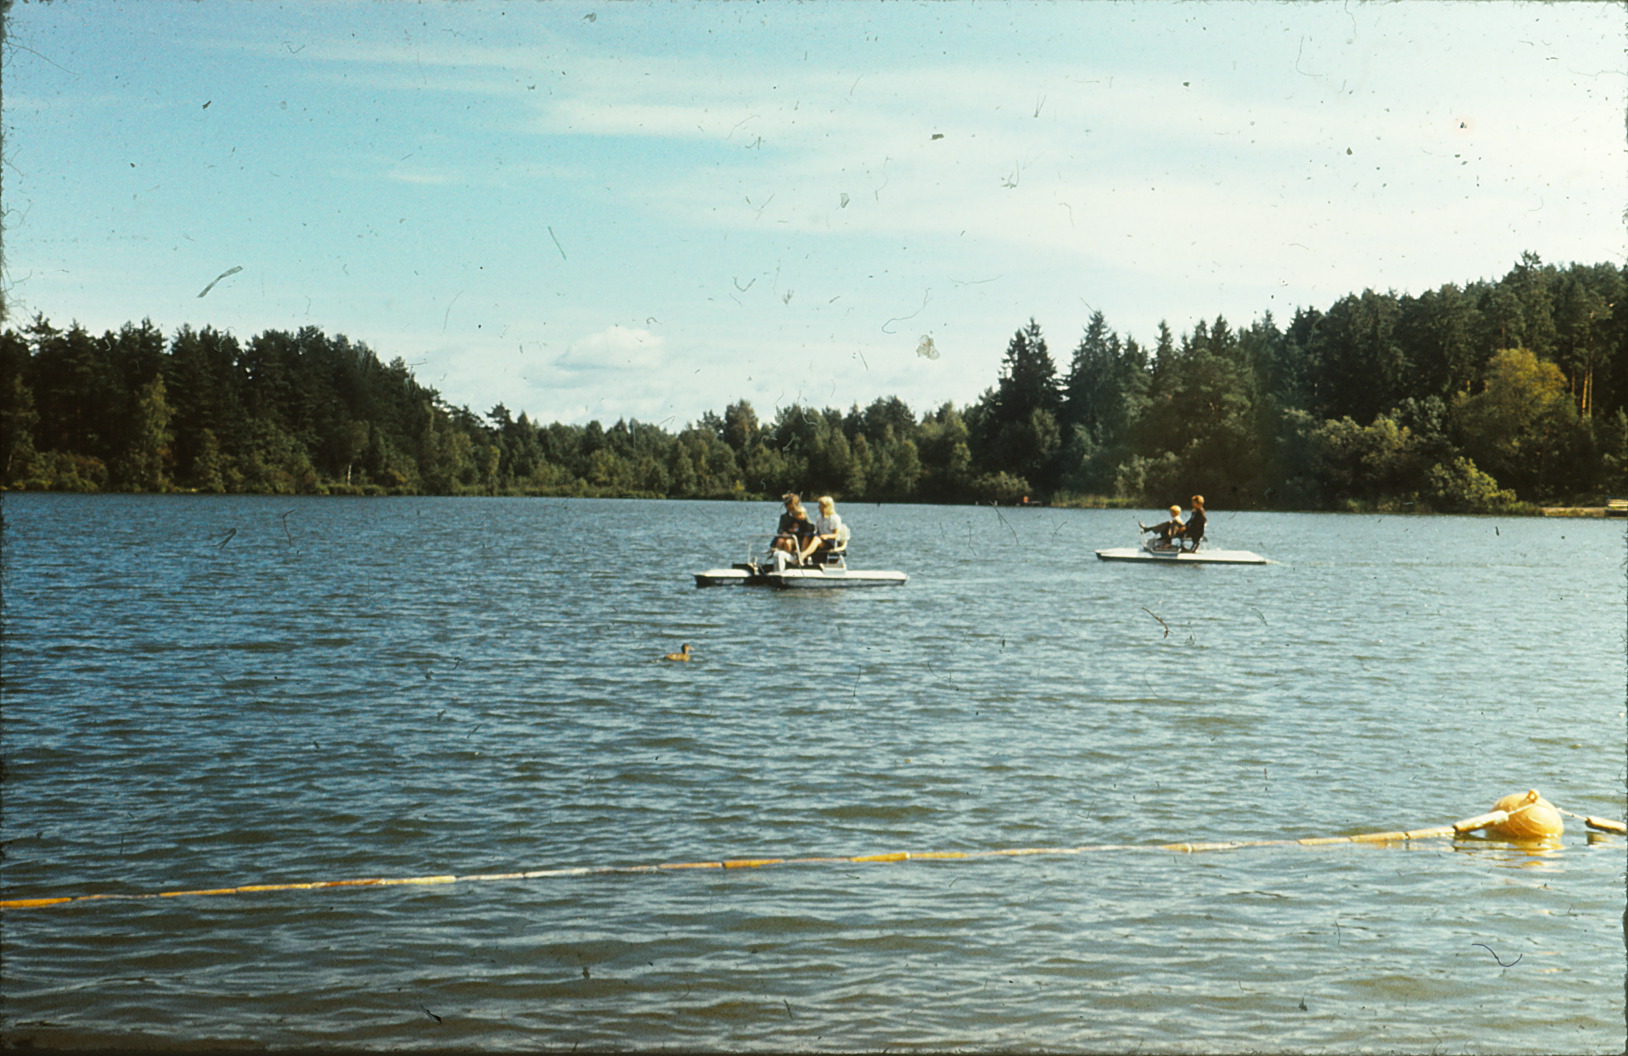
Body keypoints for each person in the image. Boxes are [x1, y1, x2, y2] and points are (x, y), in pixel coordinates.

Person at [799, 495, 848, 565]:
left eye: (820, 505)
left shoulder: (834, 518)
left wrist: (826, 536)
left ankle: (803, 555)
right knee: (807, 536)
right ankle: (802, 556)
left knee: (816, 539)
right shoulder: (819, 517)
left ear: (826, 506)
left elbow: (836, 535)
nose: (818, 507)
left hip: (830, 542)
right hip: (821, 539)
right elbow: (818, 531)